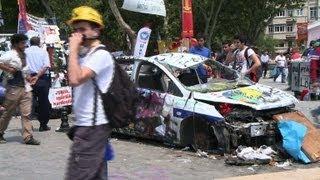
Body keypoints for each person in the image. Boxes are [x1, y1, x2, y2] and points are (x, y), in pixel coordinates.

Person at [65, 6, 113, 179]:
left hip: (92, 128)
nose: (79, 34)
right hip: (87, 126)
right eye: (76, 30)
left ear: (96, 29)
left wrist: (72, 50)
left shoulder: (101, 55)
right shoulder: (85, 54)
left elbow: (75, 79)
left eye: (83, 29)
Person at [0, 34, 40, 145]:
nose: (25, 45)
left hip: (26, 88)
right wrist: (8, 69)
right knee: (7, 113)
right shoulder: (9, 54)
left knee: (26, 114)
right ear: (16, 43)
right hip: (13, 88)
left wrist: (29, 78)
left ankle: (28, 137)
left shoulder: (23, 55)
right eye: (22, 43)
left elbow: (24, 71)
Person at [25, 37, 51, 131]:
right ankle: (43, 124)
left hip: (28, 78)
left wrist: (29, 77)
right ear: (39, 43)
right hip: (41, 79)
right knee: (43, 102)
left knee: (28, 102)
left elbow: (22, 66)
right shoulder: (43, 52)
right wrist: (37, 76)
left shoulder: (25, 51)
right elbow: (46, 66)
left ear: (30, 43)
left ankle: (27, 124)